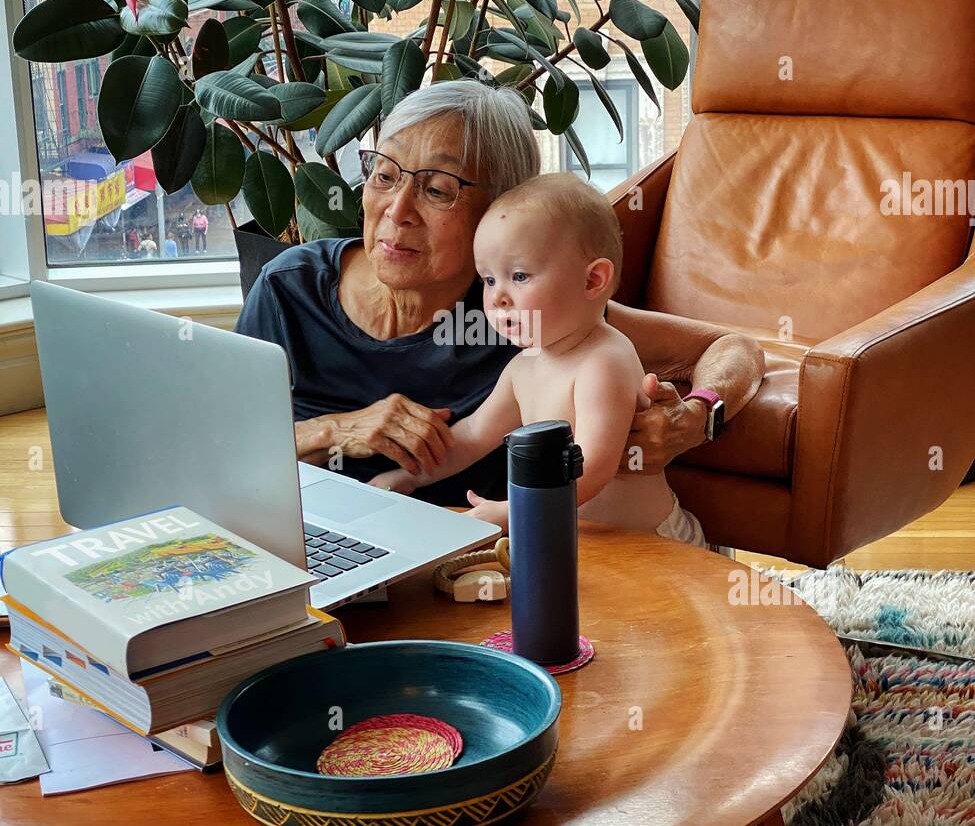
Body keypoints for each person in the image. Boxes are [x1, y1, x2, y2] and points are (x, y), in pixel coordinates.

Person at [235, 80, 764, 510]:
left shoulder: (527, 309)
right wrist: (335, 430)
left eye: (437, 189)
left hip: (480, 560)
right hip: (310, 549)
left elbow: (733, 348)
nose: (397, 210)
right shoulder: (291, 289)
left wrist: (697, 416)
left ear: (499, 212)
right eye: (385, 175)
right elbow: (221, 450)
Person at [372, 173, 705, 544]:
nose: (498, 297)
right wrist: (410, 476)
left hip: (651, 544)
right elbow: (473, 435)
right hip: (579, 539)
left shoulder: (604, 361)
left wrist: (516, 509)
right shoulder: (524, 366)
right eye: (489, 280)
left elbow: (593, 466)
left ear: (592, 281)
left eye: (518, 276)